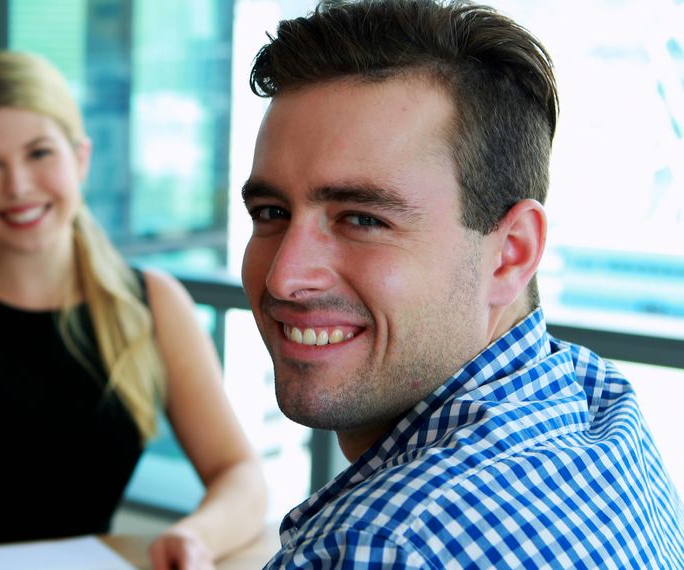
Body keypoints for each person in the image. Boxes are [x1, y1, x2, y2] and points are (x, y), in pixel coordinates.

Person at [240, 0, 684, 567]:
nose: (284, 277)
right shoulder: (596, 401)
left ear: (511, 254)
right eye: (271, 213)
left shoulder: (377, 546)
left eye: (363, 219)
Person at [0, 51, 267, 570]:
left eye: (39, 154)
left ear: (80, 158)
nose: (17, 185)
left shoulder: (153, 303)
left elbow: (240, 473)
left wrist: (195, 537)